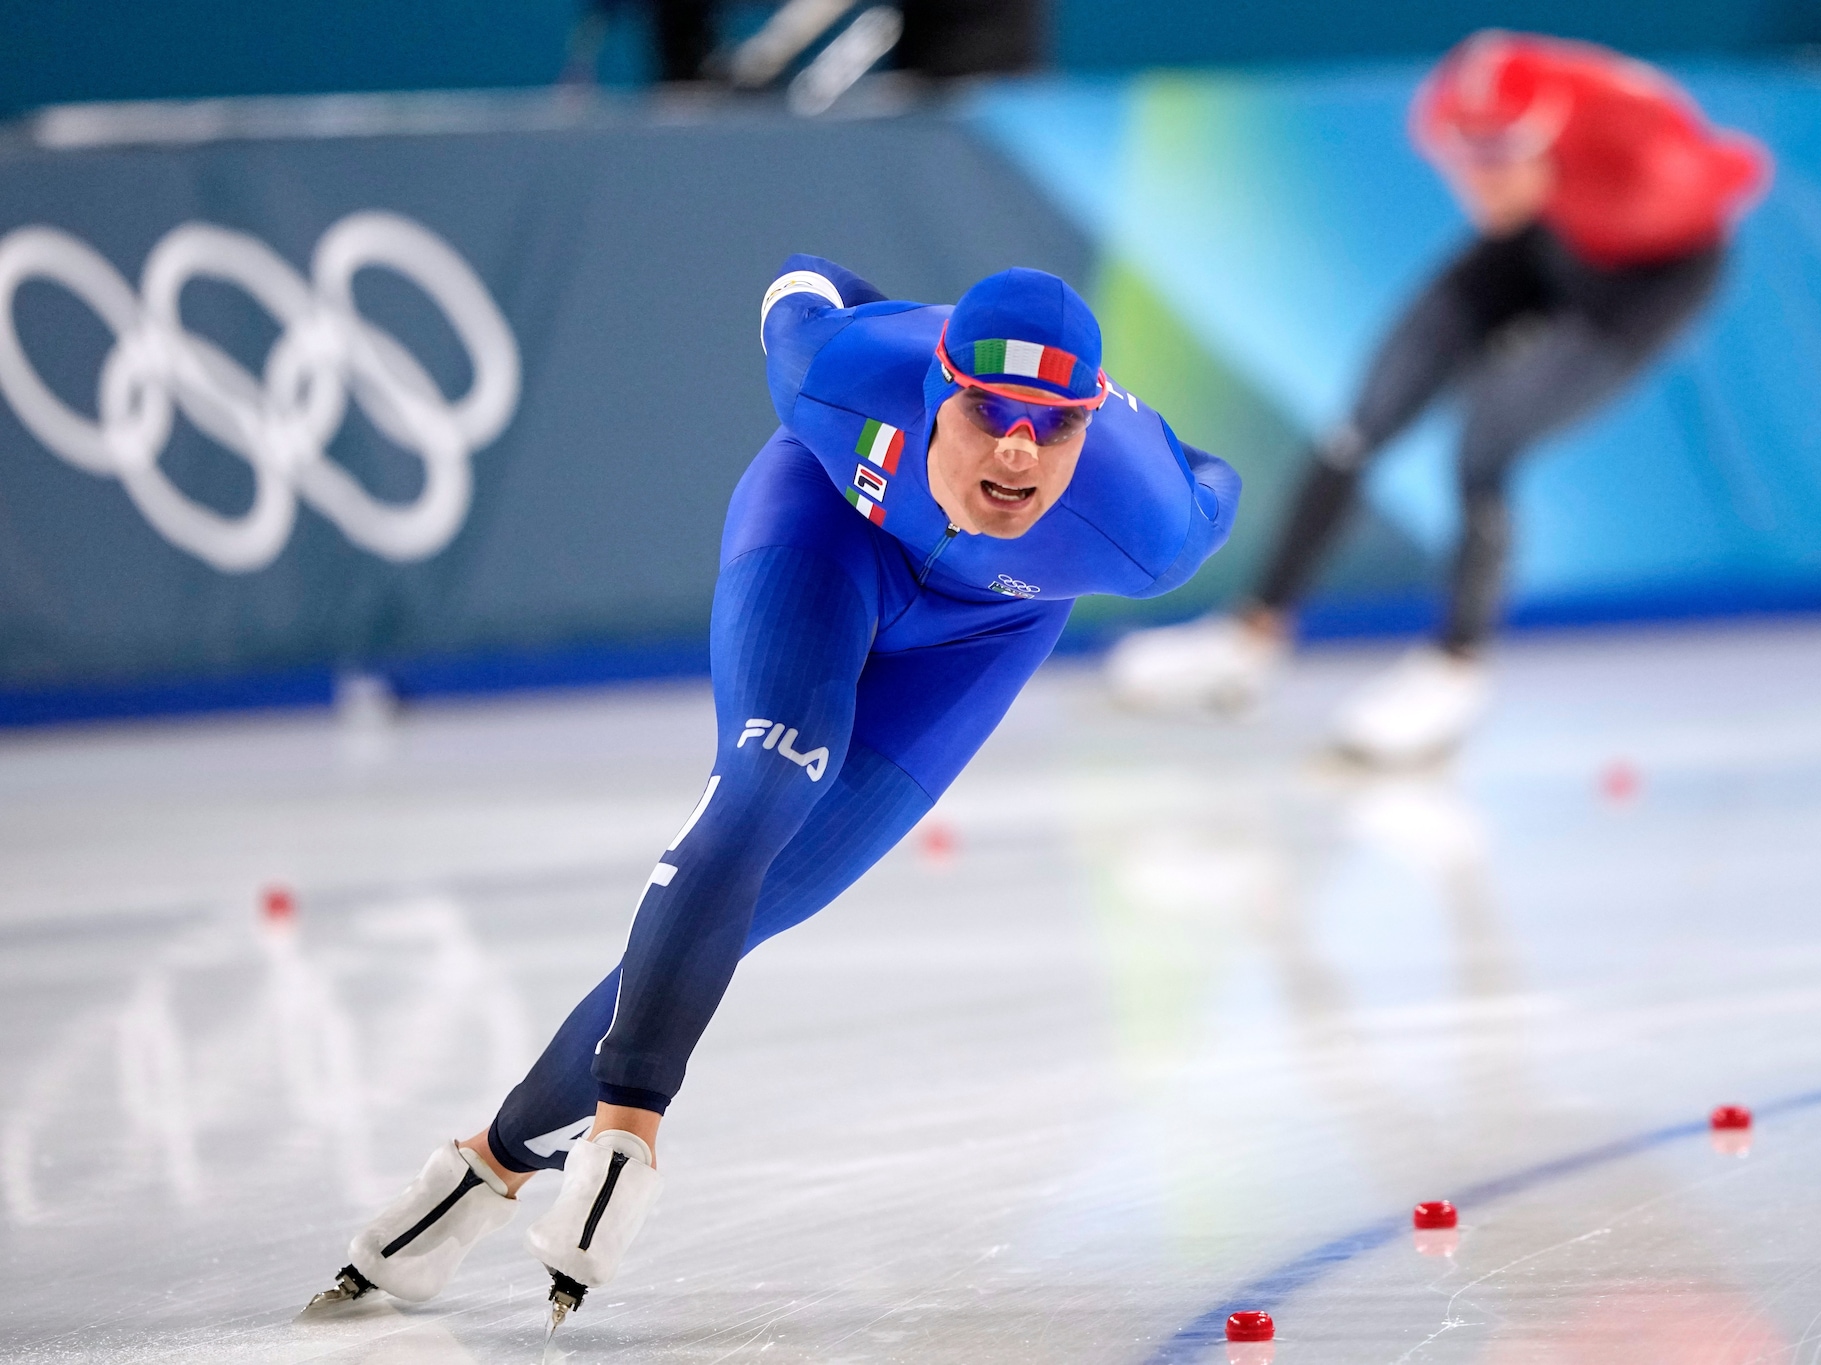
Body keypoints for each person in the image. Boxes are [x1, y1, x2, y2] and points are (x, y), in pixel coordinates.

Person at [305, 259, 1239, 1331]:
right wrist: (894, 311)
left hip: (979, 636)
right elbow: (803, 282)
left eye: (1055, 425)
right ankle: (627, 1130)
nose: (1019, 450)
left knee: (755, 905)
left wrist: (1143, 436)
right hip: (824, 534)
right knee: (760, 784)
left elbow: (1217, 477)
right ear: (937, 389)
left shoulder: (1147, 526)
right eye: (988, 411)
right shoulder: (840, 374)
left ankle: (485, 1166)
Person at [1106, 30, 1769, 764]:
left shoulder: (1651, 162)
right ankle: (1249, 639)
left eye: (1498, 161)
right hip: (1549, 234)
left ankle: (1455, 669)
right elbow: (1501, 139)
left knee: (1487, 439)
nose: (1478, 184)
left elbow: (1742, 168)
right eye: (1467, 162)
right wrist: (1525, 193)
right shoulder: (1478, 120)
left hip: (1650, 277)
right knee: (1361, 423)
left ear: (1547, 138)